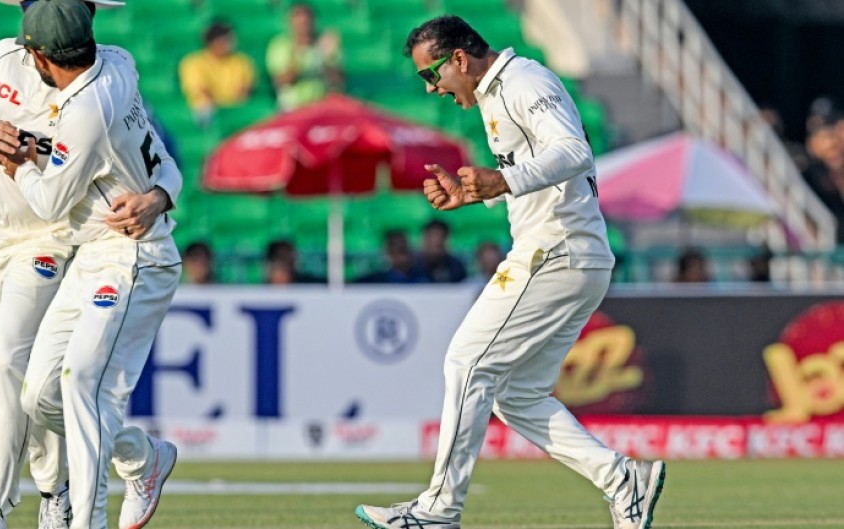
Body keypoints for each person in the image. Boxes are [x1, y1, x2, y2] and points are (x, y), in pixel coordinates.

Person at [355, 16, 665, 529]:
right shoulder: (496, 93)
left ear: (459, 58)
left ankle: (438, 510)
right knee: (514, 397)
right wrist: (472, 194)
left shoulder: (524, 81)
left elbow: (573, 151)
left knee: (465, 363)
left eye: (431, 76)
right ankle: (621, 480)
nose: (431, 89)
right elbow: (537, 177)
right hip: (569, 253)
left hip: (556, 251)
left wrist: (501, 180)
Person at [0, 1, 182, 528]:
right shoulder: (105, 63)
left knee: (25, 369)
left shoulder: (88, 103)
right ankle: (136, 457)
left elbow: (51, 201)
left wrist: (17, 162)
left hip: (63, 242)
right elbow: (155, 153)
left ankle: (2, 510)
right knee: (37, 393)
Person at [265, 2, 343, 111]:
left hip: (322, 104)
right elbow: (282, 82)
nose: (304, 27)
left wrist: (326, 57)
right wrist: (297, 52)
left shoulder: (325, 42)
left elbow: (338, 81)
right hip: (292, 107)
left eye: (307, 22)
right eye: (299, 23)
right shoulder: (280, 45)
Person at [178, 19, 256, 127]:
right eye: (225, 38)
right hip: (209, 112)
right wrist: (222, 108)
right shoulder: (193, 62)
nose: (230, 42)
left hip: (235, 109)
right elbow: (202, 92)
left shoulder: (242, 61)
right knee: (205, 108)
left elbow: (244, 91)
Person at [354, 230, 428, 284]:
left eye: (403, 249)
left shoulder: (424, 278)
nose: (399, 247)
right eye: (393, 246)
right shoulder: (372, 281)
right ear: (386, 252)